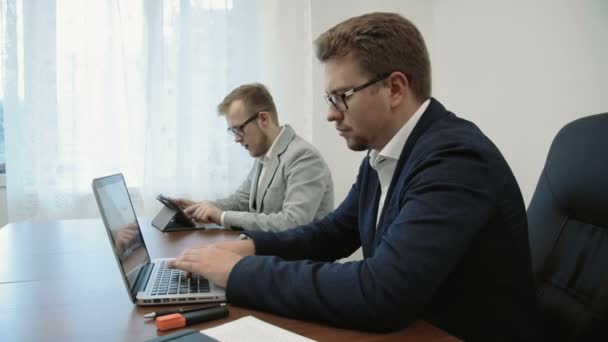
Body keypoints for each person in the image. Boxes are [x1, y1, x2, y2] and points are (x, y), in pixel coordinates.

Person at [169, 12, 543, 341]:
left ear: (395, 88)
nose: (331, 114)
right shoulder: (381, 154)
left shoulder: (455, 158)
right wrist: (251, 247)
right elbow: (330, 233)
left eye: (341, 96)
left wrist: (240, 272)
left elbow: (382, 292)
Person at [175, 83, 334, 232]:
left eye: (239, 129)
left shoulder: (303, 157)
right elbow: (240, 202)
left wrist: (222, 217)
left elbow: (293, 222)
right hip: (270, 253)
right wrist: (202, 207)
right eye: (233, 131)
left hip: (297, 260)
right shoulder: (264, 155)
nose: (237, 139)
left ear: (264, 119)